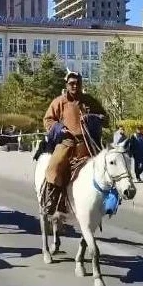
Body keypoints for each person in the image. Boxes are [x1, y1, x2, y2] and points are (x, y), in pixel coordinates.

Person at [41, 70, 108, 216]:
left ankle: (106, 200)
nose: (75, 86)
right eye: (71, 83)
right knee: (55, 167)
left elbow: (105, 117)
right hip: (67, 143)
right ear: (66, 85)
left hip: (88, 144)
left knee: (106, 167)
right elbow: (48, 120)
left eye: (77, 83)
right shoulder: (59, 102)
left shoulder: (89, 101)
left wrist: (96, 118)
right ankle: (52, 199)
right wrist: (59, 128)